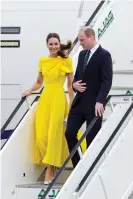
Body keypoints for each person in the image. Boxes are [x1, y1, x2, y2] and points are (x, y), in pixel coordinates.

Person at [22, 33, 86, 184]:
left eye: (56, 44)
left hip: (58, 99)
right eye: (51, 44)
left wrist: (72, 103)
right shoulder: (42, 61)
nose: (53, 47)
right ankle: (53, 164)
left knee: (53, 136)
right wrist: (30, 90)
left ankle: (50, 170)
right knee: (42, 137)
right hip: (45, 99)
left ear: (59, 44)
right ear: (47, 45)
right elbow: (39, 82)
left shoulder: (66, 61)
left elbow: (70, 85)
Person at [65, 27, 113, 168]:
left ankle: (89, 169)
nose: (80, 43)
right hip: (79, 103)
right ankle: (78, 166)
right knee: (69, 133)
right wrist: (74, 85)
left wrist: (100, 100)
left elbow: (107, 81)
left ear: (91, 37)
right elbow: (78, 78)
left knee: (91, 139)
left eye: (82, 40)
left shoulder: (104, 55)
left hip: (94, 104)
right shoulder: (81, 55)